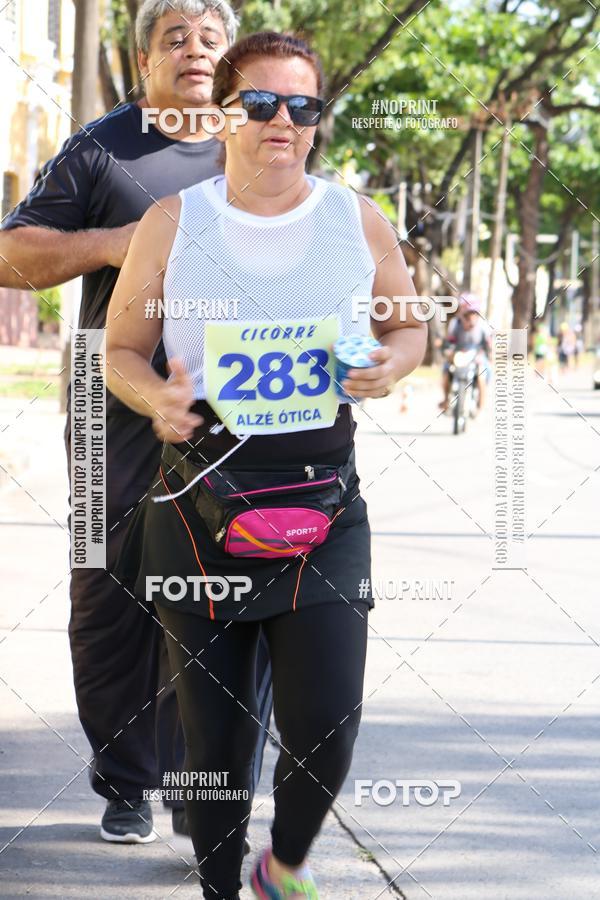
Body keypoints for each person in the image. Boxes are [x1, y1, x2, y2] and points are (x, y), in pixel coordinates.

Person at [105, 30, 427, 899]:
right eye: (259, 103)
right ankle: (219, 888)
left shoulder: (356, 218)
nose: (281, 120)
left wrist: (393, 364)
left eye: (302, 105)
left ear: (318, 120)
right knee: (214, 751)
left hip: (323, 505)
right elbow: (123, 351)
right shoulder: (174, 223)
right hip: (202, 507)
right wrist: (154, 399)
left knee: (328, 723)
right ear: (225, 115)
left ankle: (281, 865)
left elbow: (408, 327)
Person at [0, 0, 273, 852]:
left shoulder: (263, 140)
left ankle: (208, 787)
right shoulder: (102, 147)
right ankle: (126, 780)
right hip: (102, 395)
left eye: (211, 38)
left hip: (237, 406)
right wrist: (121, 242)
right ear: (144, 56)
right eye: (175, 37)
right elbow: (14, 255)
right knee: (107, 591)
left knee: (232, 588)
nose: (195, 50)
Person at [440, 292, 491, 412]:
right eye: (466, 314)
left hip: (476, 355)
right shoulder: (455, 324)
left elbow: (488, 344)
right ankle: (446, 398)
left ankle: (480, 405)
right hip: (459, 355)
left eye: (473, 314)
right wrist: (447, 350)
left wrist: (487, 354)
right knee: (446, 371)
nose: (469, 318)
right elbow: (450, 341)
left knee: (481, 375)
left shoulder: (482, 326)